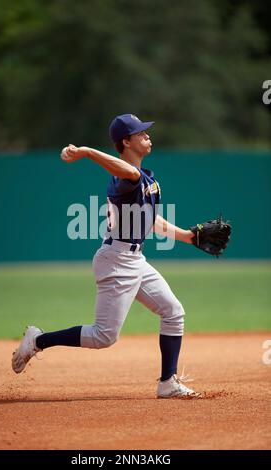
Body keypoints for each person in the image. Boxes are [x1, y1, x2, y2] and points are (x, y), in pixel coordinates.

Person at [12, 114, 200, 398]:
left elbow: (150, 220)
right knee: (103, 336)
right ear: (126, 142)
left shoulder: (145, 177)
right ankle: (37, 340)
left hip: (136, 260)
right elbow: (127, 173)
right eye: (140, 133)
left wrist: (187, 236)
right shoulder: (126, 179)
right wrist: (86, 152)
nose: (148, 136)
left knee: (173, 312)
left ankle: (167, 382)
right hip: (117, 261)